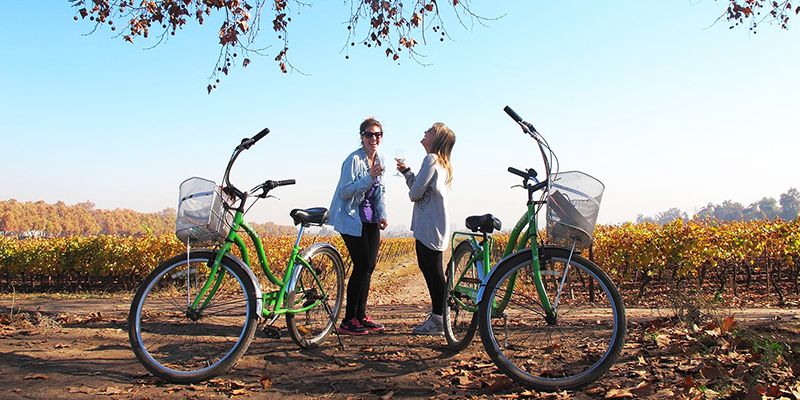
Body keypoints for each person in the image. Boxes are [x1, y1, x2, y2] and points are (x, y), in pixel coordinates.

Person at [328, 117, 388, 335]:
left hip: (371, 220)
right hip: (352, 219)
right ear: (361, 137)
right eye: (369, 134)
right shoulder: (353, 160)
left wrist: (382, 214)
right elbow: (345, 192)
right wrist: (368, 178)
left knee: (369, 266)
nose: (374, 138)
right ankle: (348, 320)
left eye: (378, 134)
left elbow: (380, 191)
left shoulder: (380, 159)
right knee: (361, 265)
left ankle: (361, 316)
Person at [396, 122, 456, 335]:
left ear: (437, 139)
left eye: (429, 131)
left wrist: (409, 177)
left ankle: (439, 319)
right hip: (435, 224)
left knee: (433, 272)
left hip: (428, 225)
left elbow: (415, 194)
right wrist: (407, 172)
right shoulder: (441, 163)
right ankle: (440, 317)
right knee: (433, 271)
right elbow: (420, 188)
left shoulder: (430, 159)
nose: (425, 132)